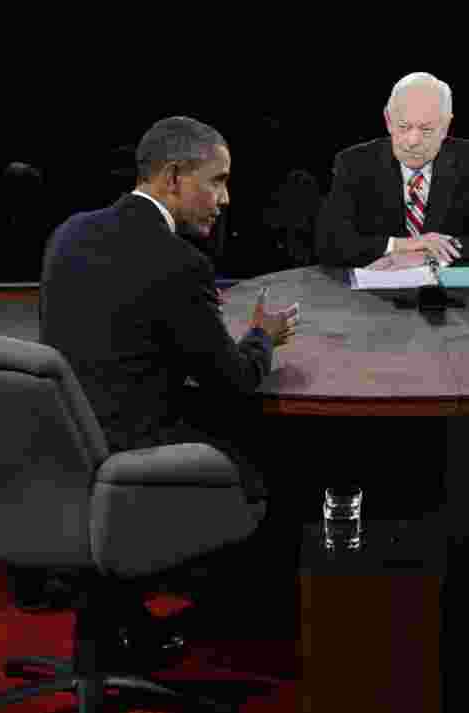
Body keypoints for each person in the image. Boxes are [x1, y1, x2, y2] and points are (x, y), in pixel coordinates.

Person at [38, 116, 298, 651]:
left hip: (66, 444)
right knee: (274, 451)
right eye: (217, 180)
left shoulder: (70, 233)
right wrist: (262, 337)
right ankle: (249, 628)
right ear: (174, 177)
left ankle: (127, 615)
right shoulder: (179, 262)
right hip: (134, 453)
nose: (225, 199)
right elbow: (236, 381)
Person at [316, 71, 469, 269]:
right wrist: (401, 246)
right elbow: (330, 244)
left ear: (445, 126)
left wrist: (426, 256)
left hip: (448, 287)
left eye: (426, 130)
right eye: (403, 126)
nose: (413, 141)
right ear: (388, 121)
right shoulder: (354, 163)